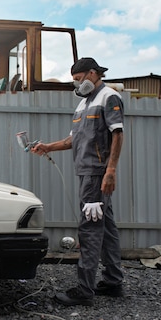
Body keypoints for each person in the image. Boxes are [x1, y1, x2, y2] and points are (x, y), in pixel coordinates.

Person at [31, 57, 125, 306]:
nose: (77, 84)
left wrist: (111, 170)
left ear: (92, 73)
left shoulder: (109, 97)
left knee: (90, 228)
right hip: (86, 172)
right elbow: (73, 139)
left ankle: (84, 290)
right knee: (106, 227)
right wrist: (46, 146)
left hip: (96, 173)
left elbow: (118, 134)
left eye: (78, 78)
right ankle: (113, 281)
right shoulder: (83, 104)